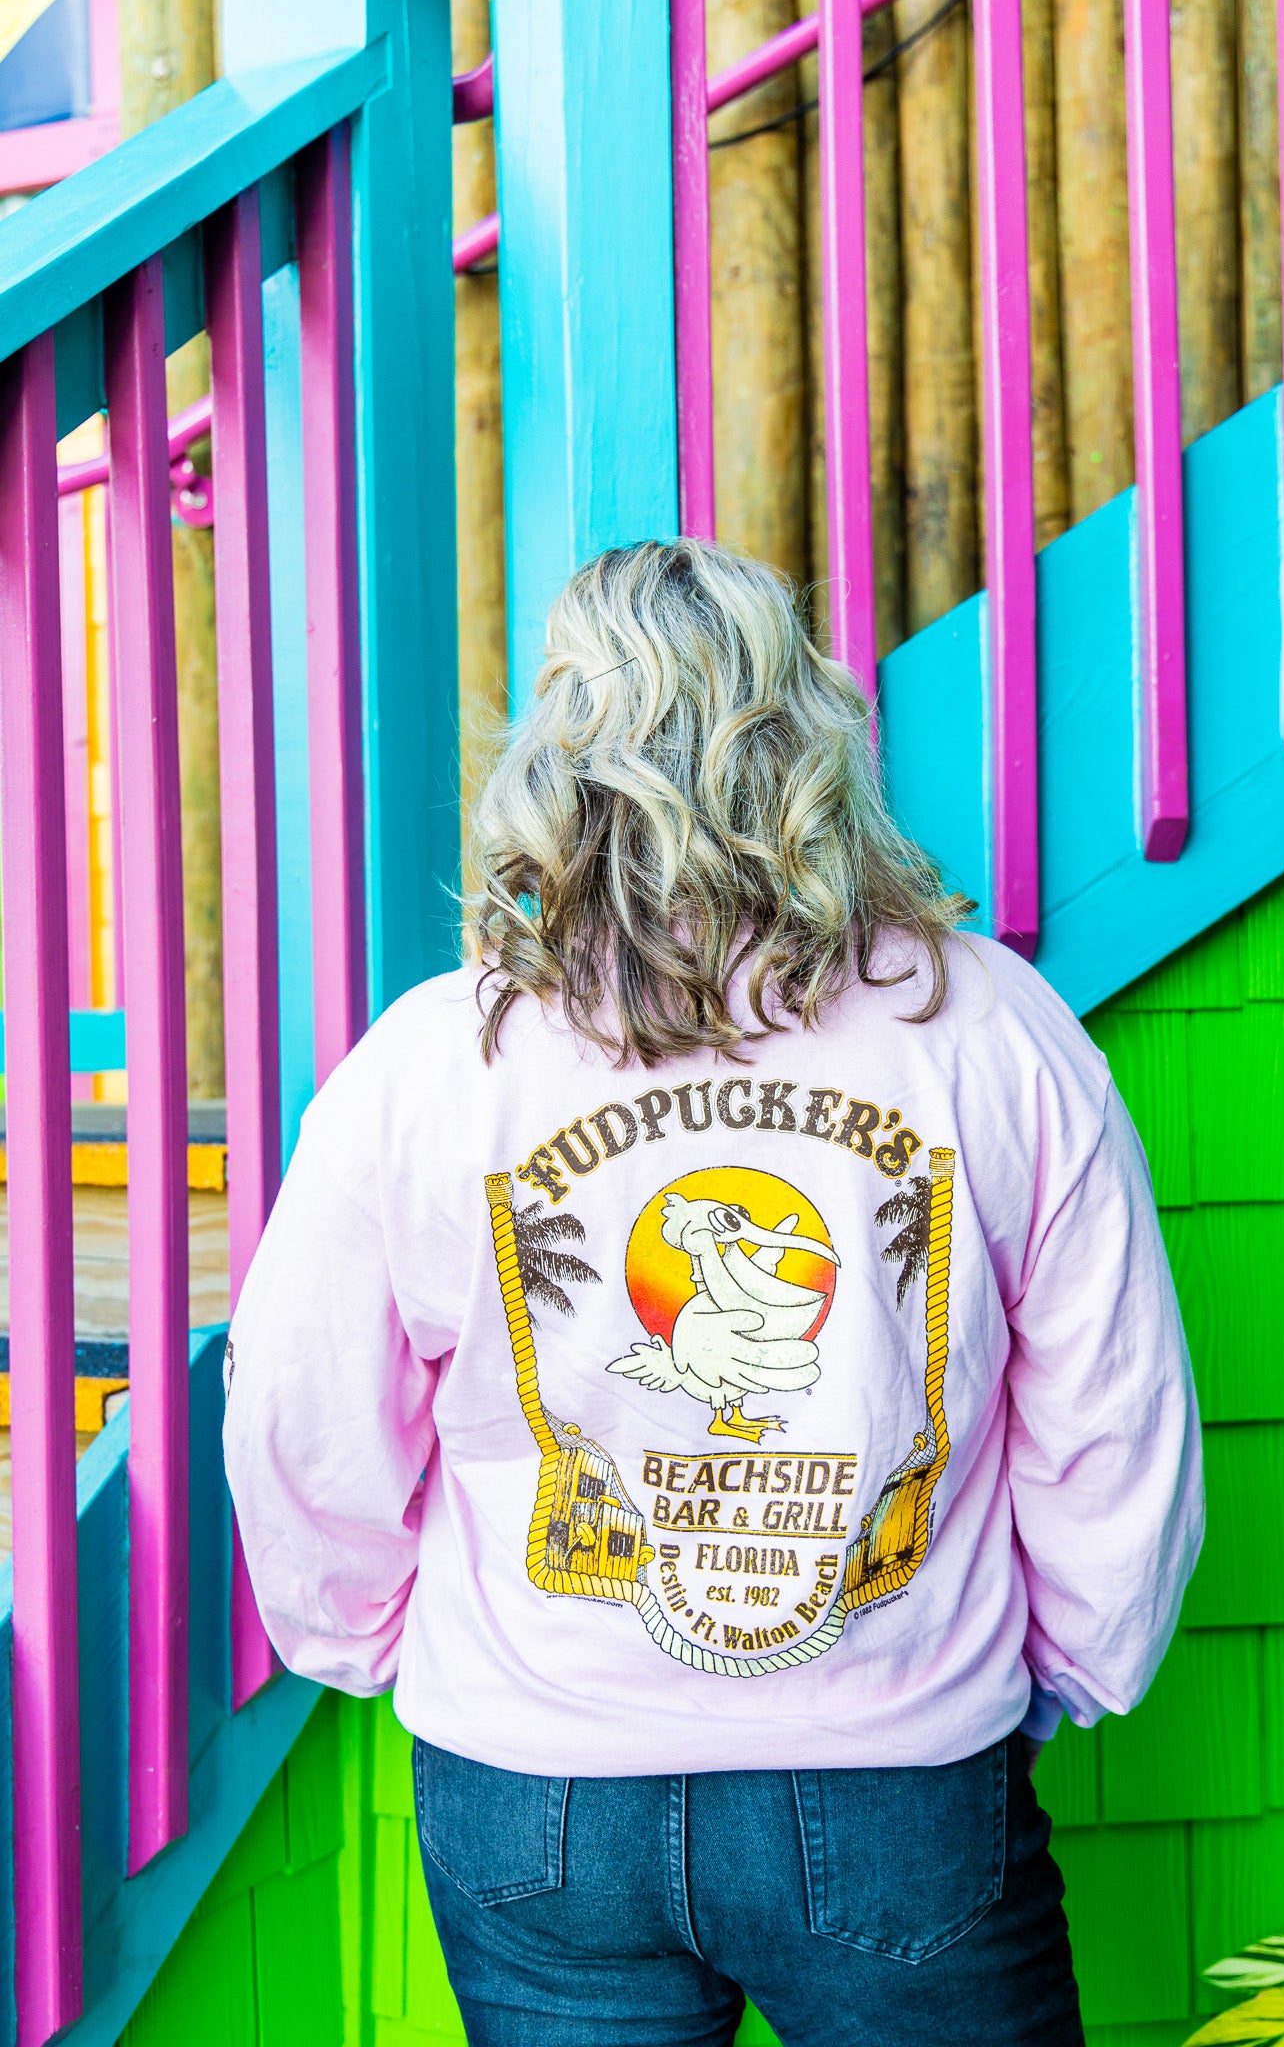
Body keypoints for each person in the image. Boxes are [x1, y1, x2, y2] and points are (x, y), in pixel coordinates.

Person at [225, 538, 1203, 2047]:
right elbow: (1112, 1407)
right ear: (810, 727)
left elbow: (300, 1409)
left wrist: (355, 1633)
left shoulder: (432, 1059)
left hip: (536, 1792)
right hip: (895, 1771)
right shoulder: (988, 1027)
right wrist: (1071, 1664)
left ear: (556, 745)